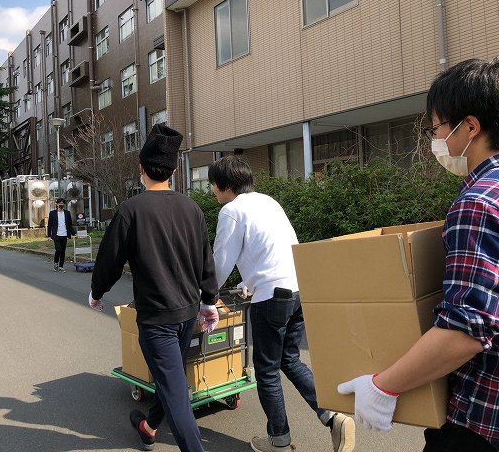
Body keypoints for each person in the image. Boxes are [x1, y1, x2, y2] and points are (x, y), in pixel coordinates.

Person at [338, 58, 499, 452]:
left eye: (437, 128)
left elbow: (467, 330)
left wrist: (383, 386)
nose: (436, 139)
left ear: (470, 127)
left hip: (480, 421)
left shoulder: (478, 203)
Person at [208, 155, 355, 452]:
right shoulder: (268, 202)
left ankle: (279, 441)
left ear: (224, 185)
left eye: (212, 184)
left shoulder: (231, 211)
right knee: (290, 360)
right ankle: (333, 416)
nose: (212, 190)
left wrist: (205, 296)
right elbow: (272, 251)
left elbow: (220, 264)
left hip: (272, 299)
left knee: (266, 370)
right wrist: (249, 284)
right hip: (297, 290)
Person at [88, 124, 220, 452]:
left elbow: (109, 260)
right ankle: (149, 428)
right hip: (187, 313)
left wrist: (97, 292)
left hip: (157, 319)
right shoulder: (191, 208)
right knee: (170, 378)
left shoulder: (131, 210)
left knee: (176, 393)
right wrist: (209, 301)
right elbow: (205, 259)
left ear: (141, 169)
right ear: (174, 172)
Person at [47, 197, 74, 272]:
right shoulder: (52, 213)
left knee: (63, 251)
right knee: (58, 249)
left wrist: (74, 233)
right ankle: (56, 262)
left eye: (62, 203)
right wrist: (49, 235)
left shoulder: (67, 213)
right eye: (60, 203)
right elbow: (50, 225)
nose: (61, 204)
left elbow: (70, 224)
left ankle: (61, 266)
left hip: (64, 234)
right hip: (56, 235)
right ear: (57, 204)